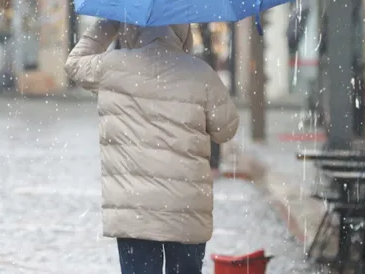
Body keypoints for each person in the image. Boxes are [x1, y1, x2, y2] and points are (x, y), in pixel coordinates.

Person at [64, 21, 239, 274]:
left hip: (134, 208)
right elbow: (226, 129)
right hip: (186, 207)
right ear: (183, 32)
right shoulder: (200, 74)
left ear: (132, 29)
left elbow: (74, 63)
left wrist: (110, 23)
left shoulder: (113, 66)